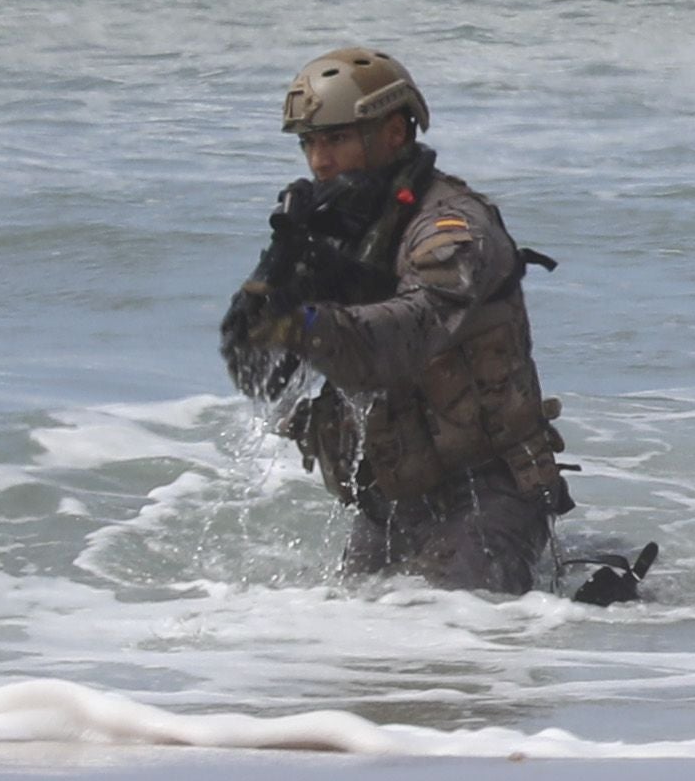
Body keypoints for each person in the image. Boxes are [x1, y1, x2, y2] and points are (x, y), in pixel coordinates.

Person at [217, 46, 579, 596]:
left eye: (335, 138)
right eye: (309, 143)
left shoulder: (450, 228)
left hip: (486, 493)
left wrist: (306, 322)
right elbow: (265, 381)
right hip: (388, 505)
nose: (319, 162)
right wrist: (276, 287)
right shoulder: (341, 230)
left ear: (393, 132)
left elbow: (406, 335)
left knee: (452, 644)